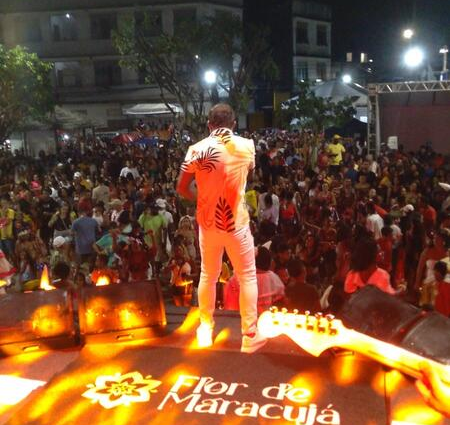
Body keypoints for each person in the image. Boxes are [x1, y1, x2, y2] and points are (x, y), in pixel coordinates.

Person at [177, 103, 264, 353]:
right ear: (234, 124)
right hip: (236, 222)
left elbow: (182, 188)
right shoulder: (247, 146)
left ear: (209, 125)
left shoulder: (196, 150)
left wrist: (202, 199)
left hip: (208, 223)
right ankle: (249, 335)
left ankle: (205, 330)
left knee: (208, 274)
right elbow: (248, 172)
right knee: (247, 275)